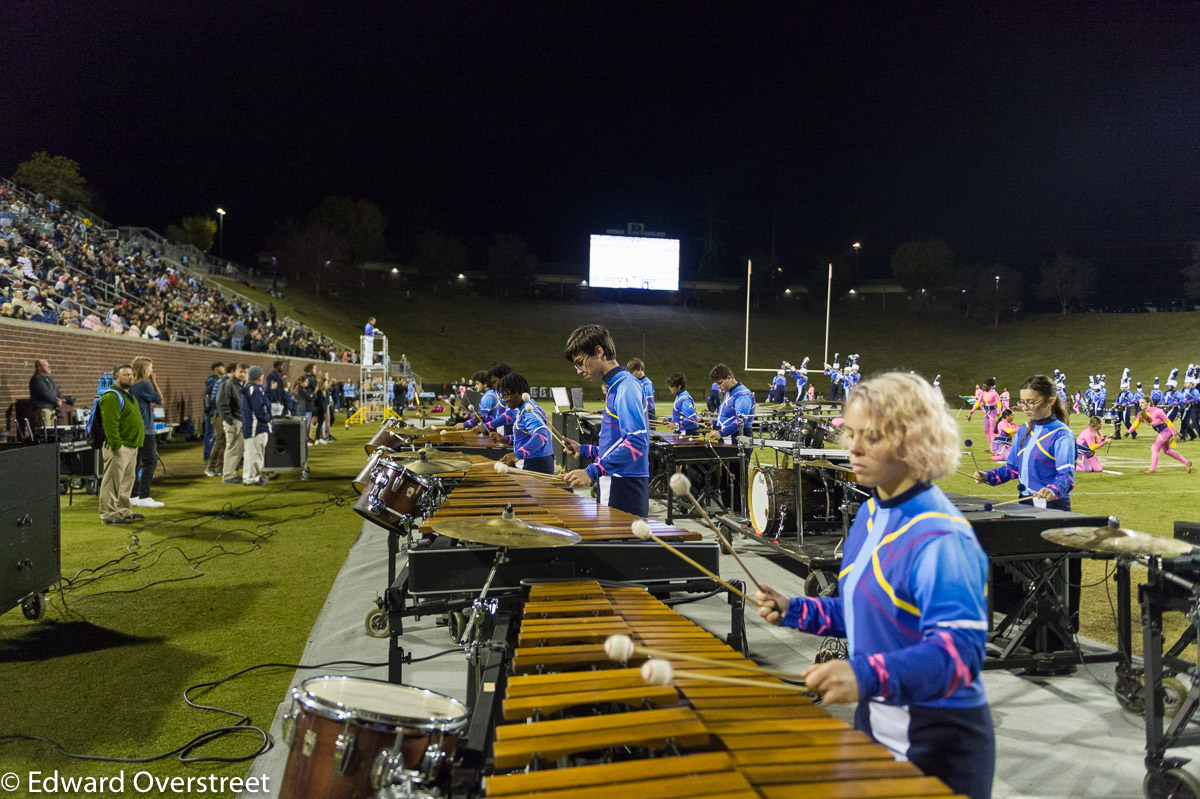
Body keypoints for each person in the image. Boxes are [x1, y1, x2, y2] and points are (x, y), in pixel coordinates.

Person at [755, 372, 993, 799]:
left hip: (938, 745)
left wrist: (864, 674)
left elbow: (960, 655)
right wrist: (795, 610)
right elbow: (865, 611)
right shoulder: (869, 514)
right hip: (875, 726)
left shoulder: (940, 538)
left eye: (873, 436)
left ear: (914, 441)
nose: (854, 447)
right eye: (851, 433)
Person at [560, 324, 650, 516]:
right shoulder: (615, 386)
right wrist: (583, 450)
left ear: (599, 351)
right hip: (617, 479)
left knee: (619, 545)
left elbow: (637, 442)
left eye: (580, 362)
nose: (578, 370)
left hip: (624, 483)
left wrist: (592, 471)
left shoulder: (626, 386)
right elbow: (618, 444)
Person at [974, 374, 1075, 510]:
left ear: (1050, 401)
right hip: (1025, 502)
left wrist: (1053, 489)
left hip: (1052, 505)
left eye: (1031, 402)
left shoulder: (1062, 434)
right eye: (1022, 402)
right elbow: (1013, 468)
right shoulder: (1024, 429)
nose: (1024, 407)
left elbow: (1067, 477)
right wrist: (988, 476)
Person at [97, 364, 145, 525]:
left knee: (126, 482)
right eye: (125, 375)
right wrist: (117, 445)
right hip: (120, 446)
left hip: (131, 446)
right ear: (116, 377)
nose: (130, 377)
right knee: (112, 482)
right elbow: (110, 424)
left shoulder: (129, 396)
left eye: (131, 374)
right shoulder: (111, 396)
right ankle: (109, 515)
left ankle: (124, 511)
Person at [491, 372, 554, 474]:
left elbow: (541, 436)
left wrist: (518, 455)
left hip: (536, 463)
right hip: (533, 461)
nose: (505, 401)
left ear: (517, 392)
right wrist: (505, 439)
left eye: (506, 396)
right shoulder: (524, 407)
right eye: (503, 397)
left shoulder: (529, 411)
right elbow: (525, 436)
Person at [129, 356, 165, 508]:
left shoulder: (132, 384)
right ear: (144, 369)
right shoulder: (144, 384)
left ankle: (133, 495)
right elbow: (160, 399)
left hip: (136, 427)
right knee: (150, 461)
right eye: (150, 367)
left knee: (136, 462)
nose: (152, 370)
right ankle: (144, 496)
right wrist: (154, 382)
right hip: (146, 428)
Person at [1130, 396, 1192, 475]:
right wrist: (1128, 432)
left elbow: (1168, 422)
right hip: (1163, 432)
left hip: (1167, 431)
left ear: (1148, 403)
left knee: (1154, 447)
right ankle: (1186, 462)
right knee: (1167, 451)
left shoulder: (1157, 411)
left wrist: (1174, 433)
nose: (1140, 404)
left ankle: (1152, 469)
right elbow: (1136, 424)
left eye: (1142, 402)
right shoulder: (1141, 413)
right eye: (1139, 403)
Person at [708, 363, 755, 446]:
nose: (718, 386)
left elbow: (741, 421)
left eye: (720, 383)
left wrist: (721, 433)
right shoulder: (728, 392)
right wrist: (715, 423)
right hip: (728, 438)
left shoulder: (742, 395)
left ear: (729, 378)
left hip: (737, 439)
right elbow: (729, 417)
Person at [241, 365, 272, 485]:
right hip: (257, 427)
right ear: (259, 376)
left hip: (252, 426)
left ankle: (248, 477)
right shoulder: (255, 390)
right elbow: (260, 410)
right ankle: (252, 478)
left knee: (250, 453)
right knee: (255, 453)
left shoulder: (250, 389)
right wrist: (268, 418)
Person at [217, 363, 248, 483]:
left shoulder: (242, 386)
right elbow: (222, 403)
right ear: (235, 371)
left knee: (238, 449)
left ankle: (232, 473)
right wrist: (229, 420)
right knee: (233, 448)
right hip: (234, 421)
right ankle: (229, 475)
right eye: (241, 372)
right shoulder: (228, 384)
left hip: (240, 420)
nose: (243, 374)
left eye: (245, 372)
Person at [205, 362, 235, 477]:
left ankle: (219, 467)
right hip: (218, 415)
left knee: (224, 441)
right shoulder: (221, 382)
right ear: (232, 371)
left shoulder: (228, 382)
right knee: (220, 440)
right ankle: (210, 466)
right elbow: (214, 400)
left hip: (221, 414)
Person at [29, 359, 65, 430]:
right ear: (39, 368)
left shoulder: (49, 379)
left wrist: (60, 399)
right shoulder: (37, 379)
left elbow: (56, 390)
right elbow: (44, 393)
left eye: (48, 365)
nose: (49, 367)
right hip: (43, 408)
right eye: (46, 366)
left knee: (53, 431)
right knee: (46, 431)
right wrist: (56, 400)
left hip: (52, 408)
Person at [968, 378, 1001, 448]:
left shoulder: (994, 394)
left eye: (985, 386)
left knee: (992, 430)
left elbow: (999, 404)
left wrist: (998, 415)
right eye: (983, 386)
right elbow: (977, 403)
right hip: (986, 413)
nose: (983, 387)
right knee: (986, 430)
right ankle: (990, 446)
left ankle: (993, 447)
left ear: (990, 386)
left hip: (993, 413)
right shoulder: (983, 394)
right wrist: (971, 413)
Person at [203, 361, 224, 464]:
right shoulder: (213, 379)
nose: (223, 368)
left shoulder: (216, 379)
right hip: (211, 410)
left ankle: (210, 456)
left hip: (212, 410)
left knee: (213, 434)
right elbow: (210, 395)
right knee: (210, 434)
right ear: (216, 369)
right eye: (221, 367)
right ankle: (207, 457)